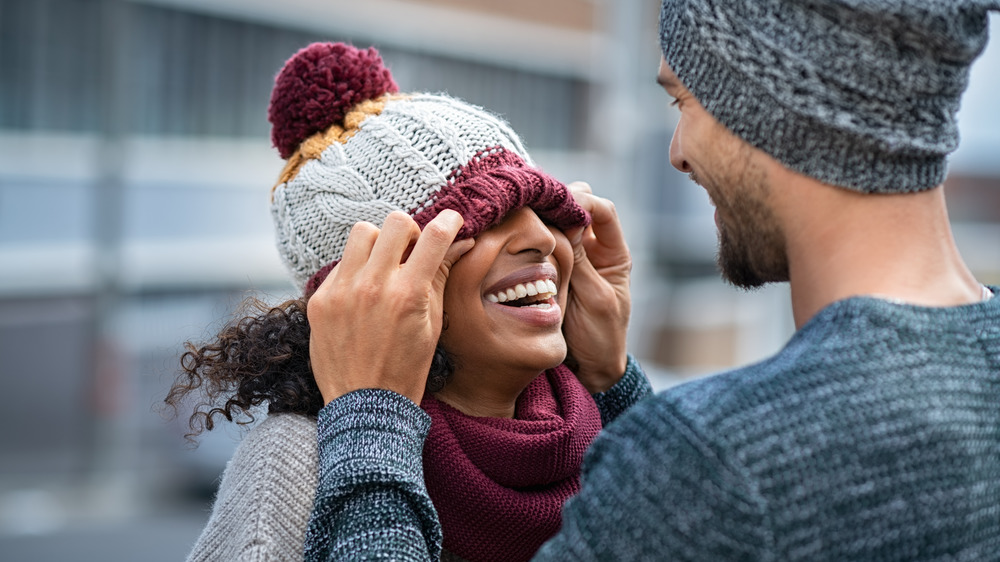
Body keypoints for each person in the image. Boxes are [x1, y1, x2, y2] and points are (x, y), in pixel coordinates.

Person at [302, 0, 1000, 560]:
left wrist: (367, 422)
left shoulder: (717, 461)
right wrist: (617, 385)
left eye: (682, 104)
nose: (678, 154)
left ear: (763, 103)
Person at [165, 42, 650, 562]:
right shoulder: (296, 465)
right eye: (488, 216)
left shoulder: (611, 432)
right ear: (373, 292)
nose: (541, 236)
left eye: (543, 208)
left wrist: (615, 382)